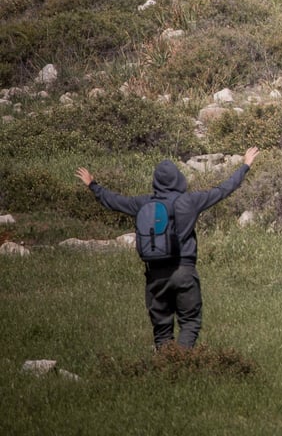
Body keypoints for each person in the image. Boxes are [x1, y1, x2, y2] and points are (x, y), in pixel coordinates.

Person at [75, 147, 259, 350]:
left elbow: (115, 201)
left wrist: (93, 185)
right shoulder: (190, 201)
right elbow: (223, 190)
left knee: (162, 329)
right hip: (184, 271)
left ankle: (165, 366)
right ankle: (181, 365)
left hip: (155, 275)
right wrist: (245, 166)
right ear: (179, 180)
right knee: (189, 323)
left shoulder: (143, 203)